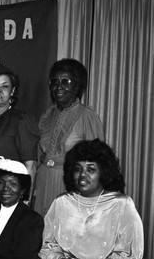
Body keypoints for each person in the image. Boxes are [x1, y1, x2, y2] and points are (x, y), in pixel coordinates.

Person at [33, 58, 104, 216]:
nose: (59, 87)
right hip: (43, 183)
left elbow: (98, 163)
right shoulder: (46, 116)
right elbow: (39, 157)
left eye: (66, 81)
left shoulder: (87, 117)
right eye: (54, 81)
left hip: (70, 187)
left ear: (77, 85)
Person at [0, 62, 39, 203]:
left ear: (12, 91)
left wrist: (25, 202)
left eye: (5, 86)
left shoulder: (21, 119)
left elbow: (31, 165)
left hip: (6, 197)